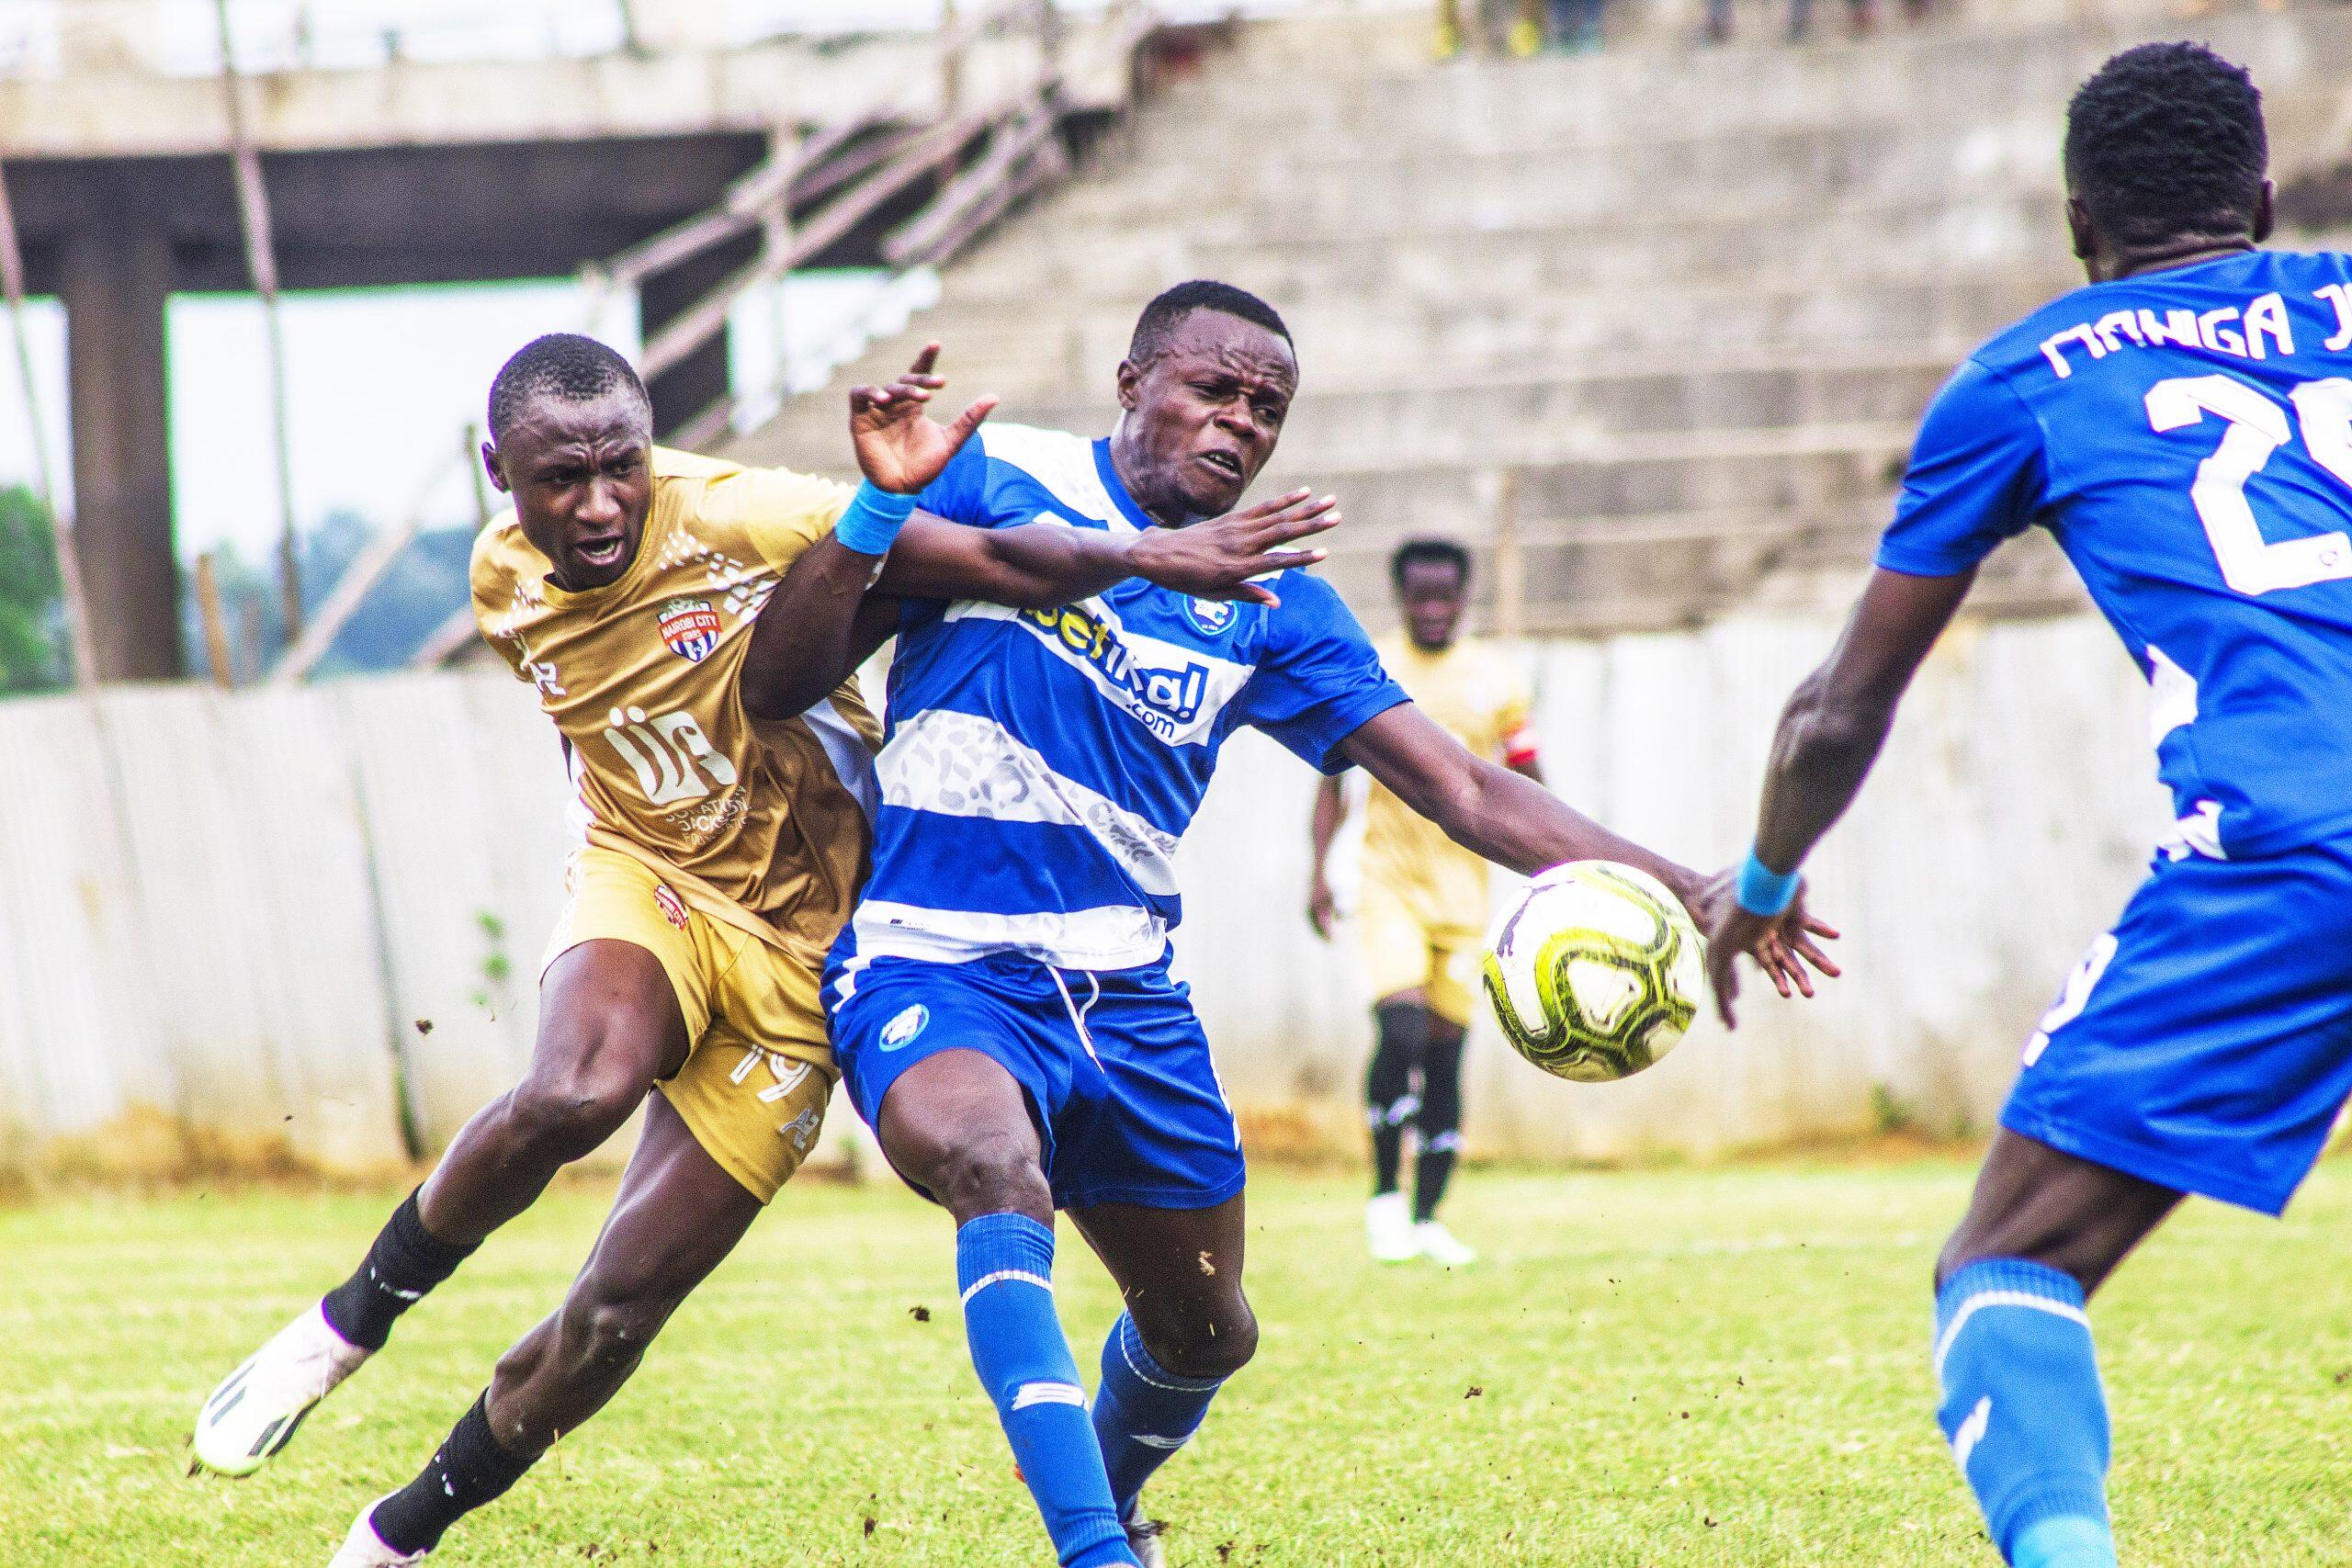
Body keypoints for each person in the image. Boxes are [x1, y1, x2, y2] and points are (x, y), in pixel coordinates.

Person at [188, 332, 1340, 1567]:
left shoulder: (740, 513)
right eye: (556, 479)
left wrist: (1146, 554)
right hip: (659, 878)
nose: (596, 504)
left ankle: (393, 1534)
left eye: (620, 467)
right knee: (576, 1086)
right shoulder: (496, 579)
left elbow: (995, 558)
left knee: (617, 1308)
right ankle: (344, 1324)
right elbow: (601, 707)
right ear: (496, 473)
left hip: (808, 953)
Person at [821, 279, 1837, 1568]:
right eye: (1213, 388)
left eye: (1269, 407)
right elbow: (817, 624)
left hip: (1125, 988)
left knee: (1206, 1331)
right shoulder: (994, 472)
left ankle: (1112, 1492)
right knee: (990, 1163)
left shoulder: (1272, 599)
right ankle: (1092, 1549)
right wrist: (904, 514)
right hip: (933, 951)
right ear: (1133, 381)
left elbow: (1467, 784)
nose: (1240, 423)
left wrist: (1700, 885)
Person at [1704, 44, 2352, 1568]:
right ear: (2260, 195)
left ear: (2079, 224)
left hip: (2290, 844)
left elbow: (1836, 707)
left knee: (2008, 1261)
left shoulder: (2026, 377)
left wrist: (1762, 874)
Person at [1306, 536, 1540, 1267]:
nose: (1433, 610)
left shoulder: (1496, 681)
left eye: (1446, 597)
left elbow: (1531, 778)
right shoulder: (1372, 668)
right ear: (1402, 595)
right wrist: (1317, 870)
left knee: (1446, 1059)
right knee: (1400, 1033)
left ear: (1463, 598)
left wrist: (1553, 871)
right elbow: (1329, 783)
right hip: (1387, 885)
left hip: (1465, 897)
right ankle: (1383, 1196)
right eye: (1421, 597)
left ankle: (1429, 1216)